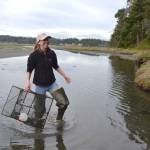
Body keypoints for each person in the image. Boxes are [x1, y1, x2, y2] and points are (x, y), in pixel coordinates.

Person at [25, 33, 71, 121]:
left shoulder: (51, 53)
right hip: (39, 87)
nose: (46, 41)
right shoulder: (33, 56)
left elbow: (56, 66)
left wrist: (65, 76)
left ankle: (58, 120)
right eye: (44, 40)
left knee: (64, 103)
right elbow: (29, 70)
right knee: (39, 112)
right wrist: (27, 82)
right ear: (39, 42)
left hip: (52, 84)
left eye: (47, 40)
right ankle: (37, 130)